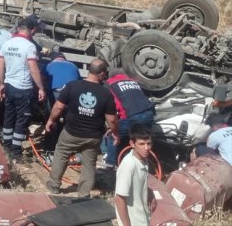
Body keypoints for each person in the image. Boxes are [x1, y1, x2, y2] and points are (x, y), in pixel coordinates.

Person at [45, 58, 119, 197]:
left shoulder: (72, 86)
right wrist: (115, 133)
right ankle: (84, 193)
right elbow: (112, 120)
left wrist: (50, 120)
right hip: (93, 136)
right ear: (102, 73)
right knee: (89, 164)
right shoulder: (106, 93)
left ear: (90, 70)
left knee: (61, 154)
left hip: (71, 132)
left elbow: (59, 106)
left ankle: (54, 185)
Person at [0, 15, 46, 160]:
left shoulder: (7, 43)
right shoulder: (29, 46)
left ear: (19, 28)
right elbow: (33, 68)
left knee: (9, 116)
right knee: (22, 120)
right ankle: (16, 152)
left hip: (9, 86)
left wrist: (2, 83)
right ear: (32, 30)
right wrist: (40, 87)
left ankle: (7, 145)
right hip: (23, 88)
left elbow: (0, 65)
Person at [104, 68, 155, 168]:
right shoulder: (134, 81)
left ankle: (110, 165)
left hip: (131, 115)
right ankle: (142, 164)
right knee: (142, 139)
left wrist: (112, 128)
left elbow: (110, 106)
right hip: (149, 113)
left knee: (112, 136)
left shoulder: (109, 83)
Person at [114, 123, 156, 226]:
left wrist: (150, 193)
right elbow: (119, 199)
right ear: (132, 144)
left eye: (149, 143)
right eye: (141, 144)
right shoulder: (129, 165)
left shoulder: (143, 160)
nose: (146, 148)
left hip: (142, 217)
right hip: (133, 221)